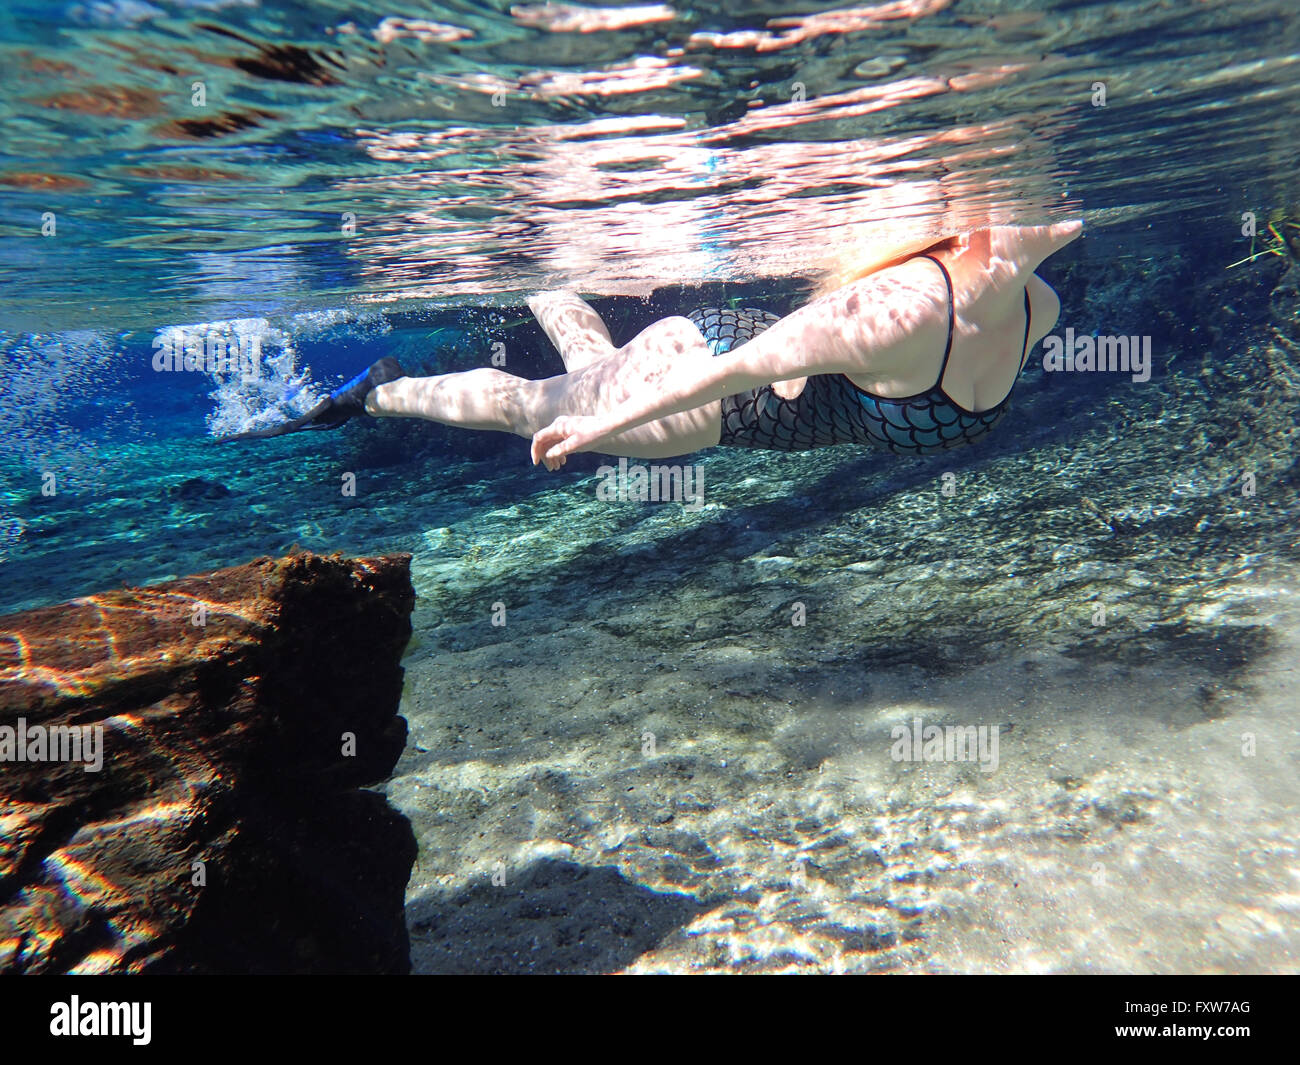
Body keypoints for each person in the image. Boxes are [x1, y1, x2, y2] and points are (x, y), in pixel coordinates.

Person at [219, 222, 1082, 471]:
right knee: (534, 406)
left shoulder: (1035, 303)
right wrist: (599, 436)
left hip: (702, 374)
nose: (1049, 221)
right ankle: (374, 391)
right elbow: (737, 369)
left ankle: (529, 255)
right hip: (701, 397)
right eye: (1010, 216)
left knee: (585, 363)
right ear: (968, 236)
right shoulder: (902, 313)